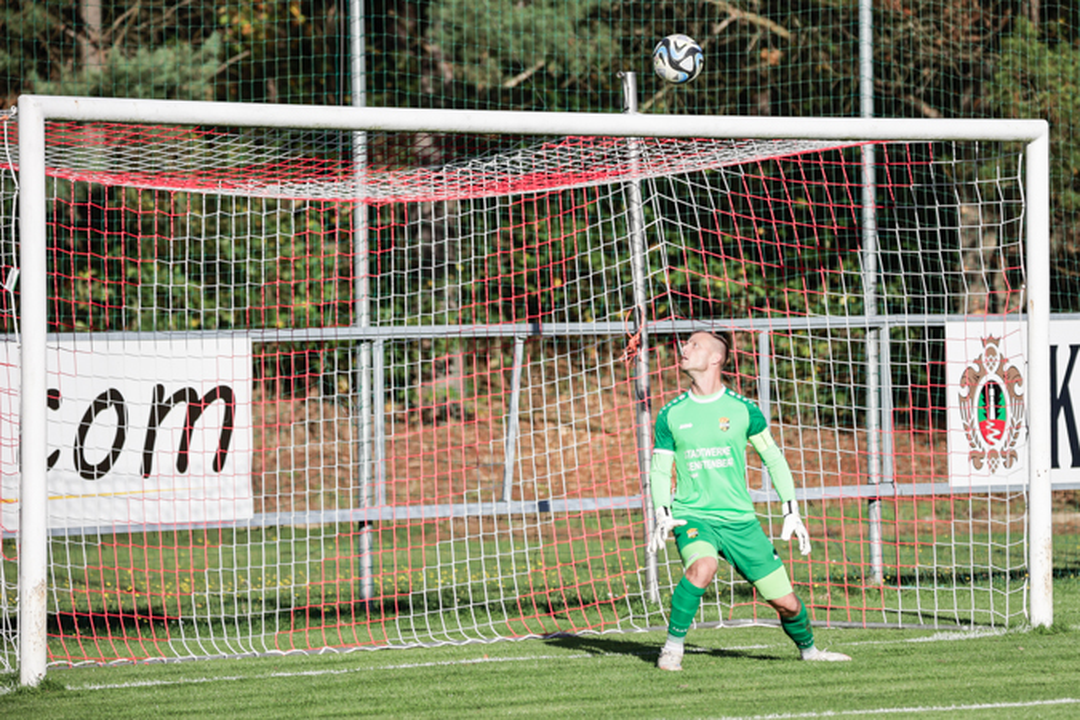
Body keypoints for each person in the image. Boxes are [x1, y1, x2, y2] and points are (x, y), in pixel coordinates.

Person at [648, 330, 851, 670]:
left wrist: (791, 510)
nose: (684, 348)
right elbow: (659, 468)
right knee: (702, 568)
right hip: (693, 516)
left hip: (741, 521)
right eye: (685, 343)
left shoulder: (744, 410)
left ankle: (810, 651)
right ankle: (672, 649)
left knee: (787, 604)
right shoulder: (671, 414)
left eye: (694, 344)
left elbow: (774, 459)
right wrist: (662, 511)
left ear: (716, 358)